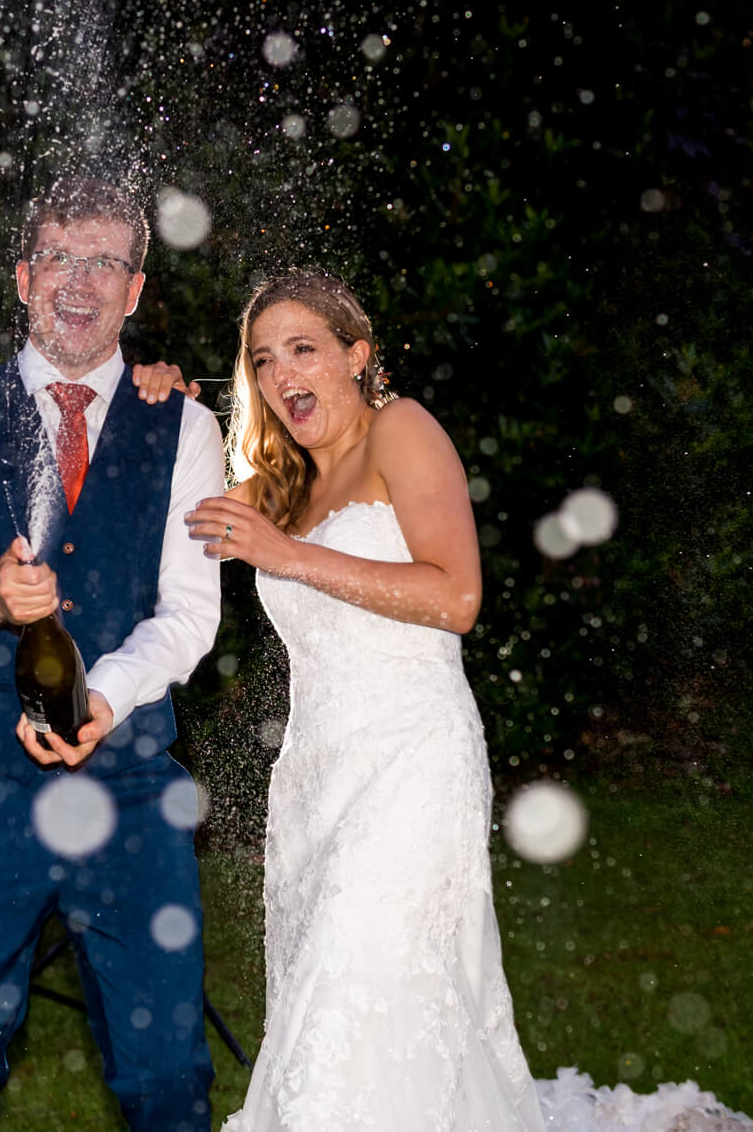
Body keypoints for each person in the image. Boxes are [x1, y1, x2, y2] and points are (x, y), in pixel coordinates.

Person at [0, 177, 225, 1131]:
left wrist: (106, 700)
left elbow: (190, 611)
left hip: (128, 795)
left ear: (136, 290)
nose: (81, 281)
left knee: (166, 1082)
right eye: (62, 259)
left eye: (106, 262)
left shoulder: (186, 426)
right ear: (26, 277)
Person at [177, 270, 549, 1129]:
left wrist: (288, 555)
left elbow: (455, 597)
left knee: (358, 985)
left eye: (302, 350)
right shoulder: (277, 489)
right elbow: (161, 521)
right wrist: (156, 404)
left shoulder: (401, 431)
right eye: (262, 361)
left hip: (413, 768)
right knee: (338, 1016)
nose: (280, 376)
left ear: (357, 356)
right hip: (312, 783)